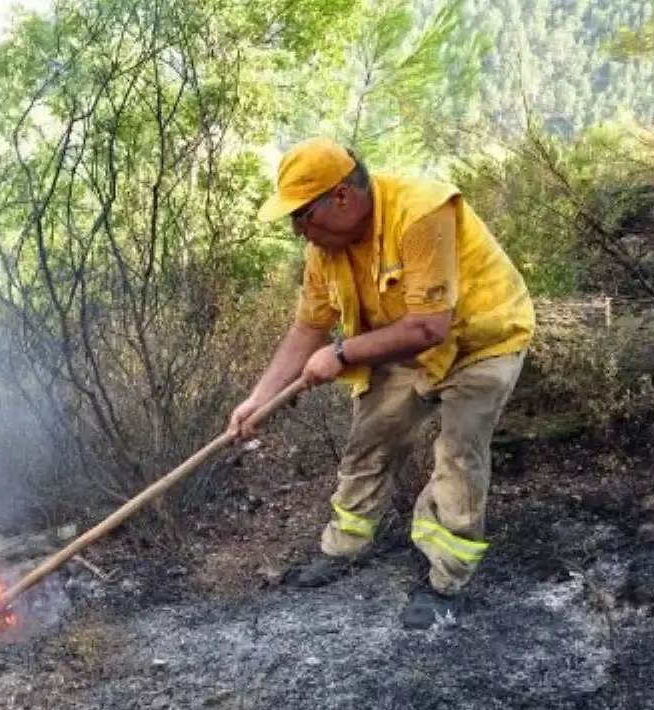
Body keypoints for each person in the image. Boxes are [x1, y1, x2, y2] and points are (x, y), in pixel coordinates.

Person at [228, 137, 535, 629]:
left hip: (481, 340)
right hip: (405, 347)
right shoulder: (325, 249)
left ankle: (445, 581)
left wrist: (343, 353)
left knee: (458, 453)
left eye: (301, 216)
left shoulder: (420, 213)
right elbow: (308, 328)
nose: (297, 231)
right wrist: (258, 399)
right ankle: (344, 547)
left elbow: (430, 327)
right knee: (371, 438)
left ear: (343, 198)